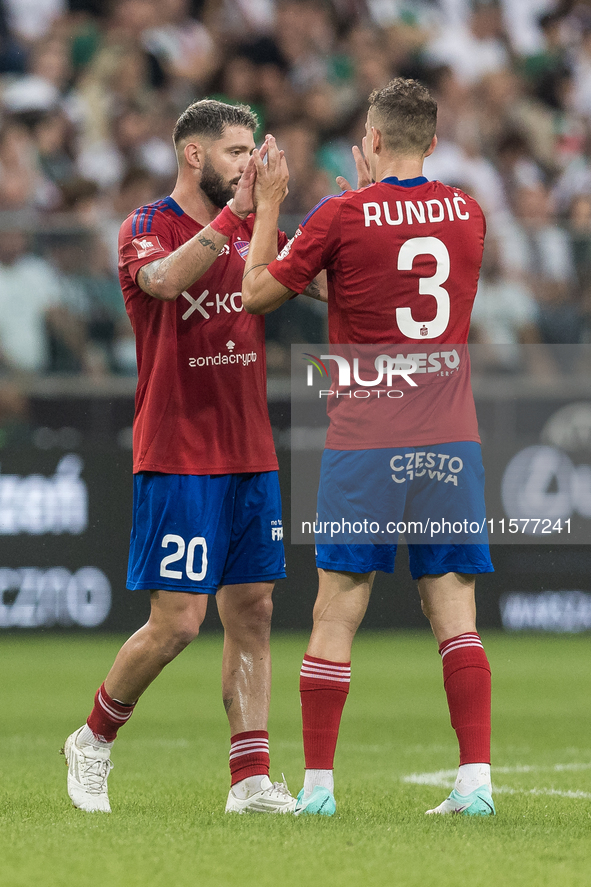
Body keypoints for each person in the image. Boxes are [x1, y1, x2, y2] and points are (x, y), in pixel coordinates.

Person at [242, 79, 495, 817]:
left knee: (335, 610)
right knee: (455, 612)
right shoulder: (469, 213)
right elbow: (385, 287)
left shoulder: (342, 213)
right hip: (451, 434)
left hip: (365, 439)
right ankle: (475, 781)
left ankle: (317, 788)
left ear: (372, 139)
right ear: (433, 143)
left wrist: (268, 209)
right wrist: (354, 231)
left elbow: (260, 290)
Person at [62, 100, 322, 815]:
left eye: (252, 151)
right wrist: (240, 215)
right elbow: (164, 283)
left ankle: (249, 779)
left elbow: (322, 281)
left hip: (249, 448)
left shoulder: (256, 228)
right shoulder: (146, 226)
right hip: (177, 449)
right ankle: (93, 738)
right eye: (236, 150)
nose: (249, 163)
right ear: (195, 156)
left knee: (254, 611)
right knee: (178, 621)